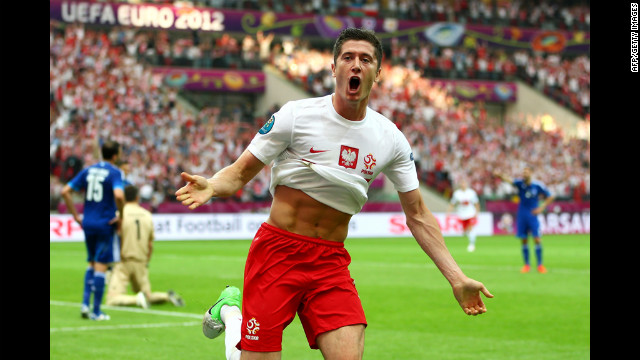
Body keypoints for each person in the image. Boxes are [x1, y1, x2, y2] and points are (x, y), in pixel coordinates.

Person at [176, 28, 493, 360]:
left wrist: (456, 278)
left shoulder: (391, 139)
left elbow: (418, 215)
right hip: (277, 253)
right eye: (348, 57)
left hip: (329, 261)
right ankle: (230, 312)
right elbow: (239, 173)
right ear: (334, 68)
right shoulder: (296, 116)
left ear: (378, 73)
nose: (356, 65)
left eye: (365, 59)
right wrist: (212, 185)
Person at [61, 140, 125, 321]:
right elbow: (119, 195)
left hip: (87, 222)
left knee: (90, 262)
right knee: (101, 266)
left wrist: (75, 215)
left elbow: (65, 191)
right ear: (115, 155)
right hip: (105, 223)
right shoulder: (114, 172)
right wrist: (120, 213)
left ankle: (84, 304)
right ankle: (96, 311)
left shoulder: (88, 170)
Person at [106, 185, 185, 309]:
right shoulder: (147, 215)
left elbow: (114, 238)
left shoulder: (119, 214)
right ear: (137, 197)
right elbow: (150, 244)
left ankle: (136, 299)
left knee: (112, 298)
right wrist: (146, 261)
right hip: (141, 261)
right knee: (147, 295)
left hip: (124, 261)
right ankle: (166, 296)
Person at [493, 166, 555, 273]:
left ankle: (540, 265)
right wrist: (500, 175)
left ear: (531, 173)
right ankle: (527, 265)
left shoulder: (537, 185)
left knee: (537, 239)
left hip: (533, 215)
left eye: (526, 172)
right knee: (524, 239)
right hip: (522, 214)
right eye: (523, 172)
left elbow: (550, 196)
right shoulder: (520, 184)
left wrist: (541, 207)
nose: (524, 174)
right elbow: (509, 180)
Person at [446, 179, 481, 252]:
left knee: (471, 228)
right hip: (461, 214)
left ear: (466, 184)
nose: (463, 185)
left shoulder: (471, 193)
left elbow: (476, 203)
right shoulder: (457, 194)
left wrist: (477, 212)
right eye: (462, 184)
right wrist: (448, 213)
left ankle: (472, 244)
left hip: (471, 213)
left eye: (464, 183)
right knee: (465, 231)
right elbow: (452, 204)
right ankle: (470, 238)